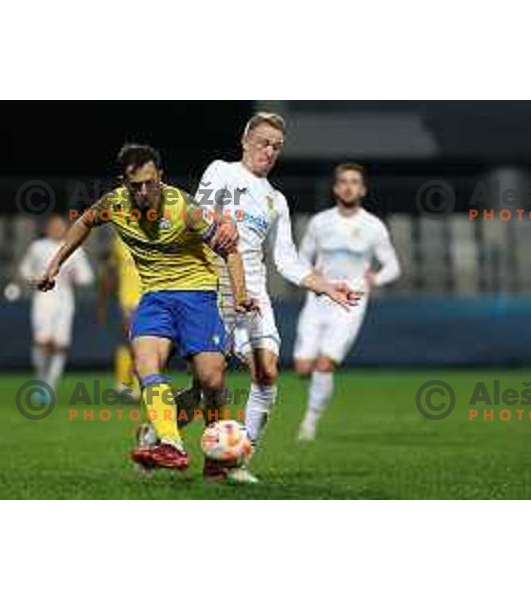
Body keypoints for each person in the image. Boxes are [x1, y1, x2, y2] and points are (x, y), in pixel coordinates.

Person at [36, 143, 257, 475]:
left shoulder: (185, 208)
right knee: (145, 364)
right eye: (134, 184)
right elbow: (83, 222)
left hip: (197, 296)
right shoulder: (115, 204)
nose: (142, 191)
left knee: (211, 382)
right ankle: (171, 445)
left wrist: (240, 294)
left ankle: (212, 457)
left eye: (149, 183)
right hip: (154, 297)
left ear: (161, 178)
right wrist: (56, 263)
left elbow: (230, 250)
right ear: (123, 182)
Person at [193, 112, 361, 482]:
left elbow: (286, 260)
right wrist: (219, 225)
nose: (269, 151)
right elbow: (199, 216)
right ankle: (159, 433)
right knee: (208, 382)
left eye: (276, 147)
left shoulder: (276, 201)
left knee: (266, 372)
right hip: (212, 291)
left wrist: (328, 285)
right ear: (245, 140)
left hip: (254, 297)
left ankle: (236, 457)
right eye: (263, 142)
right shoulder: (221, 171)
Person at [293, 163, 401, 441]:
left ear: (362, 189)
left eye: (354, 181)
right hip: (318, 299)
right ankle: (312, 387)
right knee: (303, 368)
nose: (348, 186)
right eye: (343, 181)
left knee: (325, 364)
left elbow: (393, 267)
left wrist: (374, 279)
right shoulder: (320, 222)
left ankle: (309, 423)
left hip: (350, 303)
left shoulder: (373, 226)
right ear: (335, 188)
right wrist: (310, 273)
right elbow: (302, 258)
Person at [19, 214, 94, 391]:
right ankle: (40, 379)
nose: (57, 229)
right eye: (53, 226)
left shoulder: (74, 249)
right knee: (43, 341)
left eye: (60, 226)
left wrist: (76, 278)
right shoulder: (37, 247)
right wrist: (36, 279)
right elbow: (24, 270)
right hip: (44, 298)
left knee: (60, 345)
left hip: (65, 298)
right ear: (47, 228)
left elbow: (86, 277)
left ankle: (49, 387)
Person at [96, 235, 142, 394]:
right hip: (128, 300)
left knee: (138, 343)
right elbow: (111, 272)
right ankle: (127, 385)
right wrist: (102, 302)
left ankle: (134, 387)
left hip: (151, 298)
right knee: (129, 341)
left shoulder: (160, 236)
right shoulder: (120, 240)